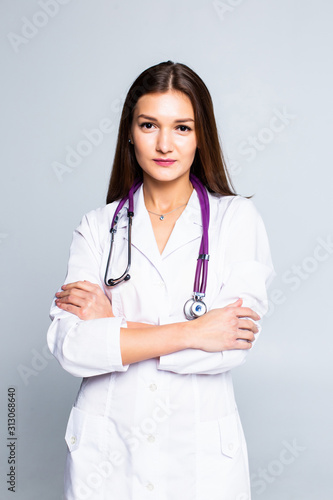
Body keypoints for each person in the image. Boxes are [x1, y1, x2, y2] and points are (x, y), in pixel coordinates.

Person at [47, 60, 275, 500]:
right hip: (108, 456)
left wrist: (114, 326)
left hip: (199, 461)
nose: (165, 143)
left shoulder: (236, 220)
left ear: (200, 135)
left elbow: (228, 347)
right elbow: (72, 348)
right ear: (129, 133)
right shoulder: (97, 227)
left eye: (182, 128)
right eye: (149, 124)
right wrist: (193, 331)